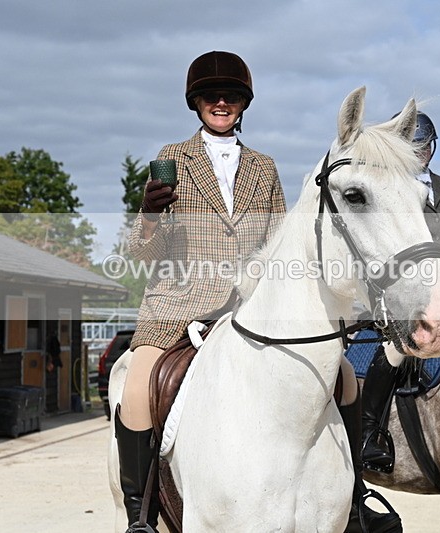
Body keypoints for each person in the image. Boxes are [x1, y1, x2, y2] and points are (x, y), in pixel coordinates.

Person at [115, 51, 286, 533]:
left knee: (340, 376)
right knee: (137, 387)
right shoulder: (171, 158)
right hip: (178, 300)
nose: (221, 102)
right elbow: (145, 255)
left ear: (243, 103)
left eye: (230, 96)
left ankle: (354, 498)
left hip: (248, 305)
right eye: (211, 95)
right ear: (196, 102)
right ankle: (139, 516)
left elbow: (277, 243)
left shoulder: (265, 168)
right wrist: (149, 214)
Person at [360, 111, 440, 472]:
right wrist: (437, 281)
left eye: (425, 147)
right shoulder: (389, 187)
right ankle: (371, 432)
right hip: (408, 291)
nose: (420, 154)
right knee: (397, 347)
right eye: (413, 147)